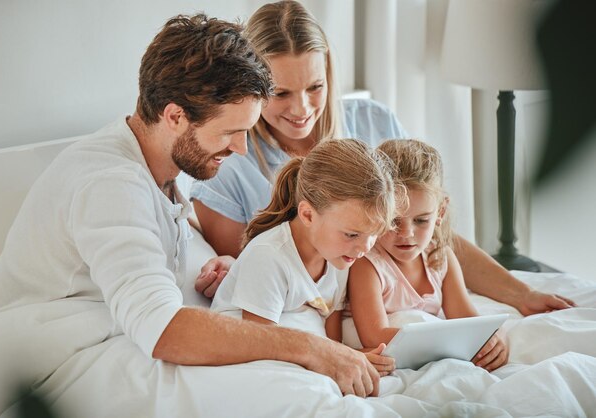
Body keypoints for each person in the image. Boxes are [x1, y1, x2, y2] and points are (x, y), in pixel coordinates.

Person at [0, 14, 380, 399]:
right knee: (286, 392)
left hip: (112, 332)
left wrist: (237, 271)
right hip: (49, 356)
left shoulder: (168, 160)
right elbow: (164, 328)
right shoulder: (111, 185)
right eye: (231, 132)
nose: (240, 148)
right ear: (174, 115)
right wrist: (310, 348)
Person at [191, 0, 576, 316]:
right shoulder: (229, 162)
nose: (302, 109)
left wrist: (519, 293)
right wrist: (228, 268)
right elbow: (250, 269)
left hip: (401, 303)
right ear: (253, 87)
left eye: (315, 87)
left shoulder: (372, 122)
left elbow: (432, 235)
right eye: (281, 93)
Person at [211, 139, 396, 377]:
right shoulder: (269, 256)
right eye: (352, 234)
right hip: (254, 357)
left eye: (374, 235)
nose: (364, 248)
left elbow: (331, 336)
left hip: (301, 355)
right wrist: (338, 360)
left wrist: (350, 358)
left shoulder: (341, 256)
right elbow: (259, 345)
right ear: (308, 215)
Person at [347, 139, 508, 371]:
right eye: (394, 221)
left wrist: (493, 340)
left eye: (421, 220)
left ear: (440, 211)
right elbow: (375, 338)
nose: (406, 234)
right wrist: (453, 342)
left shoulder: (440, 257)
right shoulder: (368, 264)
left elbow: (467, 318)